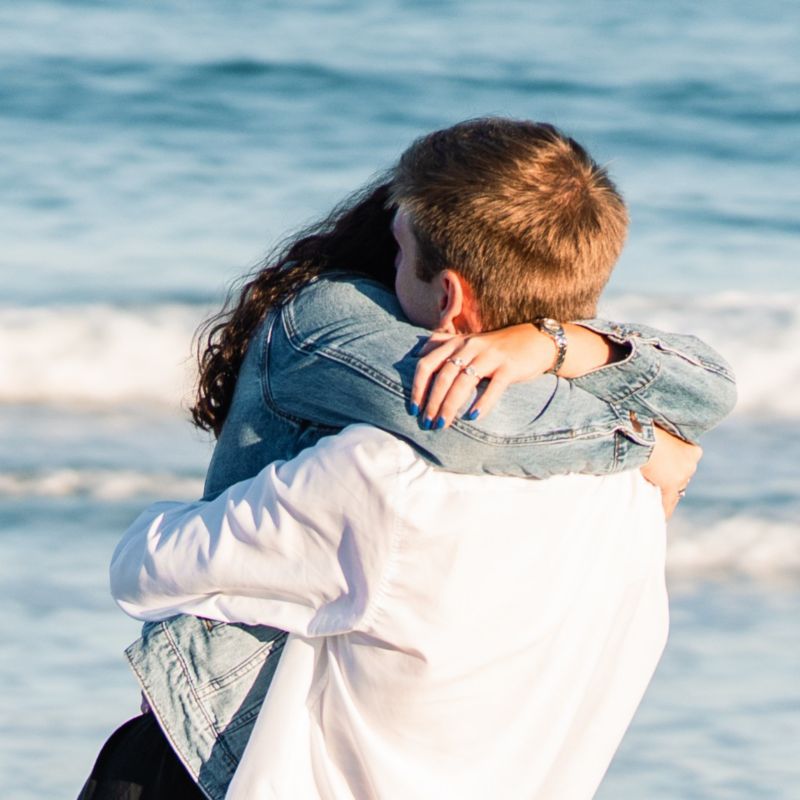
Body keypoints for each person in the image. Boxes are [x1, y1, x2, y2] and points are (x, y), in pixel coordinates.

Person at [79, 118, 735, 799]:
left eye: (398, 250)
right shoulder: (632, 497)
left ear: (450, 296)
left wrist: (632, 434)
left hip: (206, 769)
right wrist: (612, 401)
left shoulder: (379, 471)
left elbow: (146, 569)